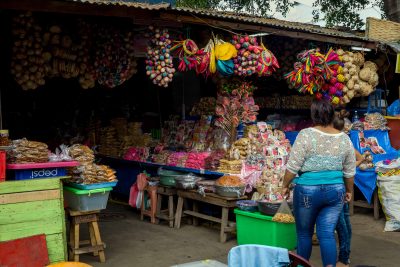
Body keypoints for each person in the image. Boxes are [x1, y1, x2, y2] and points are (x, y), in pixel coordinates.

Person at [282, 100, 356, 267]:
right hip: (336, 191)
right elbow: (350, 171)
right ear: (332, 115)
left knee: (304, 234)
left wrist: (285, 185)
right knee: (327, 234)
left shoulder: (306, 134)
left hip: (307, 190)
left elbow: (293, 166)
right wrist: (349, 190)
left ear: (313, 116)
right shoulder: (344, 138)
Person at [332, 110, 363, 267]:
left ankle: (342, 259)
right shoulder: (345, 140)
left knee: (340, 225)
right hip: (342, 186)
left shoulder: (334, 140)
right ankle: (345, 256)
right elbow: (355, 162)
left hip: (336, 188)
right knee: (345, 223)